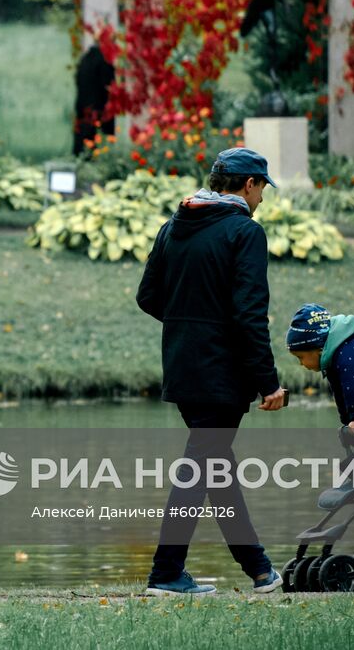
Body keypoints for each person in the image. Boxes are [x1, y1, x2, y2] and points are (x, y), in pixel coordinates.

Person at [136, 147, 288, 597]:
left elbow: (148, 296)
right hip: (222, 375)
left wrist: (190, 325)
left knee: (213, 468)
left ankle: (260, 571)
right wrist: (268, 382)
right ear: (248, 185)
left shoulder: (174, 225)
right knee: (201, 469)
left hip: (183, 366)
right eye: (261, 189)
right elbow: (248, 314)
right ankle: (165, 573)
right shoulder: (244, 232)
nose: (261, 199)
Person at [72, 44, 115, 155]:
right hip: (98, 110)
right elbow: (108, 85)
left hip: (84, 109)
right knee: (98, 146)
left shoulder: (85, 60)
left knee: (83, 146)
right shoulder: (103, 61)